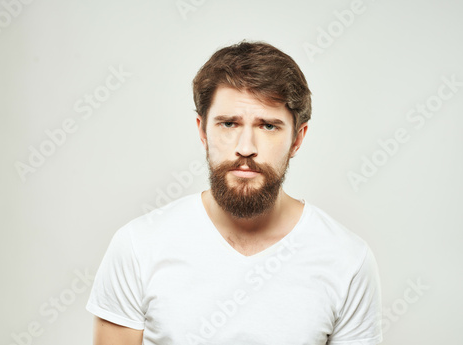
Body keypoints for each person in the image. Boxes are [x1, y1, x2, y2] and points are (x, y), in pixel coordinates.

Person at [85, 40, 383, 345]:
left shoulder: (348, 260)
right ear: (203, 131)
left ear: (297, 138)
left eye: (268, 126)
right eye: (228, 123)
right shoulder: (138, 247)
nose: (246, 148)